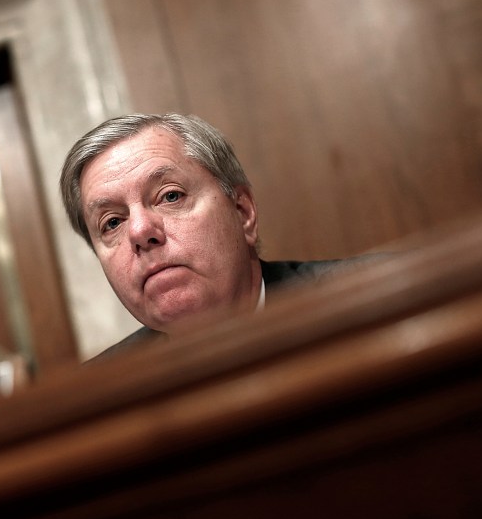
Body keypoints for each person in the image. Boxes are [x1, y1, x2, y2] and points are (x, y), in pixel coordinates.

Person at [59, 113, 372, 360]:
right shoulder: (101, 399)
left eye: (170, 196)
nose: (139, 232)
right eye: (112, 222)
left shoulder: (374, 302)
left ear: (242, 212)